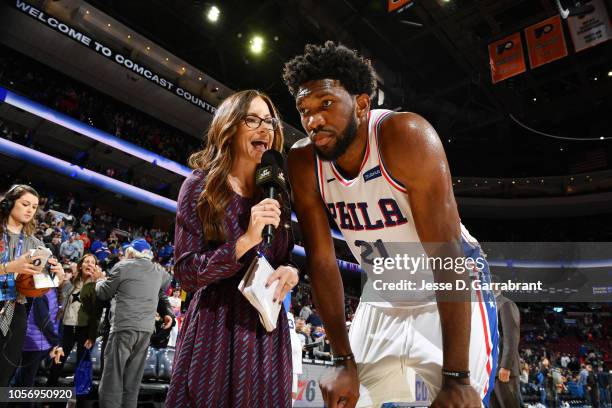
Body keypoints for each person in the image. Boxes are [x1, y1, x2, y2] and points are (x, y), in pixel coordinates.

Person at [283, 42, 498, 407]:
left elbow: (447, 257)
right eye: (304, 110)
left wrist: (457, 377)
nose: (313, 120)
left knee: (459, 400)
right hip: (382, 289)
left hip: (445, 284)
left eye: (326, 105)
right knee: (348, 398)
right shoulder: (304, 162)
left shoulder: (406, 137)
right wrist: (341, 360)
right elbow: (322, 260)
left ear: (362, 104)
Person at [166, 90, 299, 407]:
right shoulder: (200, 186)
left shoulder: (277, 193)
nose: (264, 128)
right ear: (230, 126)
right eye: (252, 119)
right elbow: (186, 274)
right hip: (217, 329)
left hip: (266, 331)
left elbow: (286, 257)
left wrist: (291, 271)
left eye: (269, 121)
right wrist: (245, 241)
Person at [95, 239, 171, 408]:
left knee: (112, 380)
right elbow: (166, 282)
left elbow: (103, 293)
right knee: (132, 382)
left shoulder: (123, 267)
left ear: (130, 252)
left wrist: (99, 280)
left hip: (123, 328)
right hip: (145, 331)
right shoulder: (159, 271)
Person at [0, 184, 64, 386]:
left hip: (16, 308)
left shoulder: (37, 244)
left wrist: (56, 277)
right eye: (25, 204)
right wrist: (10, 267)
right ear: (10, 203)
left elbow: (40, 284)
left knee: (3, 374)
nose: (30, 210)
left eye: (34, 207)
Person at [46, 253, 102, 387]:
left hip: (85, 330)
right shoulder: (71, 282)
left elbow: (97, 313)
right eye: (86, 261)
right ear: (80, 265)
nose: (89, 264)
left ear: (95, 267)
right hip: (67, 328)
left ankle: (80, 399)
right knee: (57, 361)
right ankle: (47, 395)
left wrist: (92, 336)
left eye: (92, 262)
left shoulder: (98, 286)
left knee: (83, 365)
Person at [491, 293, 521, 408]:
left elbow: (511, 337)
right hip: (491, 369)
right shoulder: (487, 306)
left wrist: (506, 366)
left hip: (502, 369)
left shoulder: (506, 303)